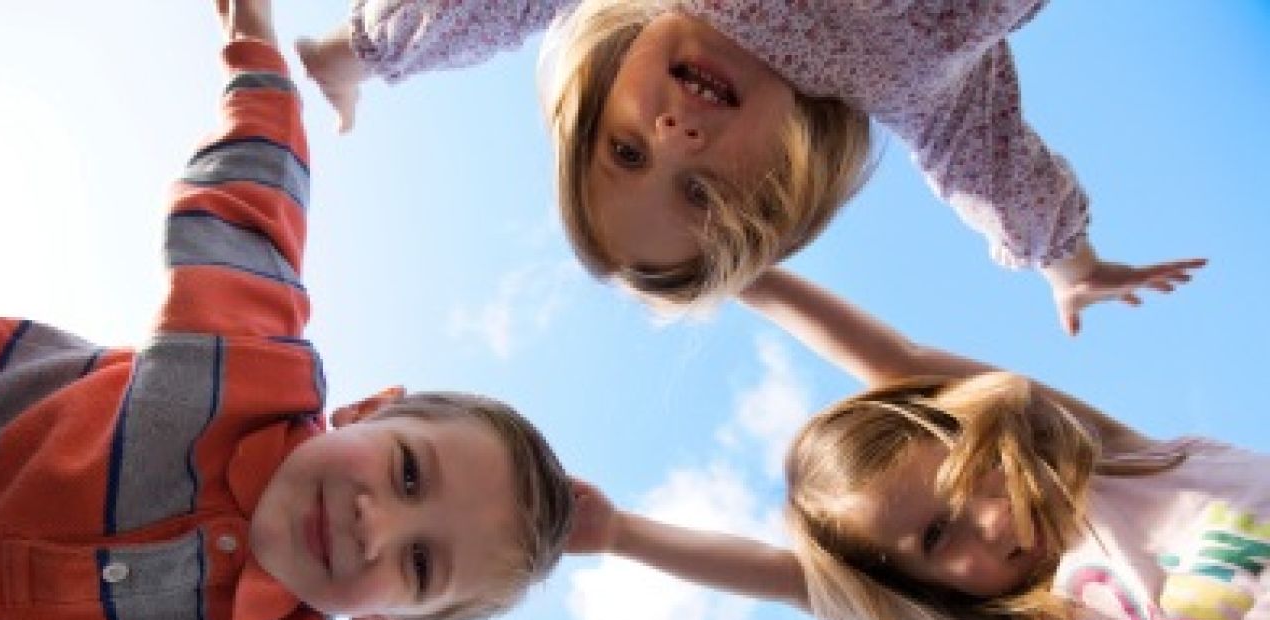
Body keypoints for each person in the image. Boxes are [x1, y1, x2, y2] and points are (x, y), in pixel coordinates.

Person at [0, 2, 573, 620]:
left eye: (418, 563)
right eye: (408, 474)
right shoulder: (251, 364)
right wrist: (256, 42)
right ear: (368, 410)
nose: (377, 524)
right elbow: (255, 205)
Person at [568, 263, 1268, 620]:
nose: (992, 520)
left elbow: (895, 360)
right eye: (937, 536)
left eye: (978, 473)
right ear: (927, 588)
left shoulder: (1118, 466)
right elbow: (789, 578)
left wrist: (738, 271)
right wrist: (622, 533)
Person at [298, 0, 1193, 333]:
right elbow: (987, 167)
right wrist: (1067, 264)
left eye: (625, 150)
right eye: (697, 189)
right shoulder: (898, 74)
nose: (676, 136)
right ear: (776, 189)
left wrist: (348, 56)